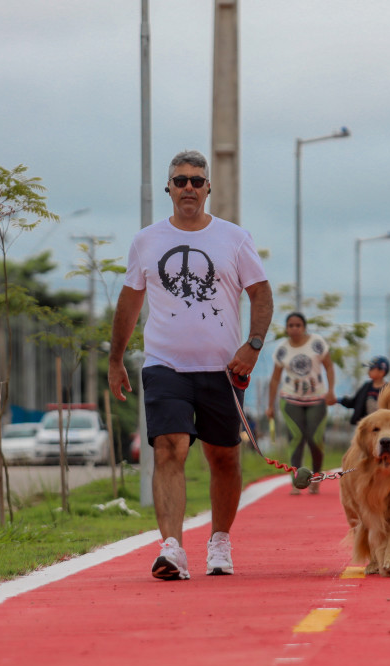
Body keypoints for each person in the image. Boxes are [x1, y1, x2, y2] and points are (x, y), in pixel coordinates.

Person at [108, 149, 273, 581]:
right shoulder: (146, 241)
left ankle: (219, 541)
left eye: (196, 181)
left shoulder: (234, 238)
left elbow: (261, 294)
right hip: (165, 364)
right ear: (169, 188)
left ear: (208, 188)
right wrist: (115, 359)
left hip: (223, 368)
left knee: (223, 458)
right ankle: (172, 547)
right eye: (180, 181)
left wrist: (253, 346)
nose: (188, 188)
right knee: (169, 446)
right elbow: (129, 302)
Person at [267, 312, 336, 495]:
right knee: (296, 439)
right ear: (286, 328)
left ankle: (315, 479)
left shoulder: (317, 343)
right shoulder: (282, 350)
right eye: (291, 325)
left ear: (304, 327)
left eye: (298, 325)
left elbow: (329, 366)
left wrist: (330, 390)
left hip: (317, 399)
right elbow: (275, 379)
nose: (295, 328)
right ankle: (296, 482)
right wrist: (270, 405)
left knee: (315, 439)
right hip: (291, 400)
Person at [337, 355, 390, 426]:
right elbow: (353, 402)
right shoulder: (366, 387)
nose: (369, 371)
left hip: (383, 428)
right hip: (366, 427)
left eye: (372, 368)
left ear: (382, 372)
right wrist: (338, 400)